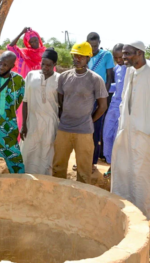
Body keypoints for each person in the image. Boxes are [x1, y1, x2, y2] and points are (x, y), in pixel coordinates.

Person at [111, 41, 150, 220]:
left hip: (147, 132)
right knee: (125, 170)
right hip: (127, 130)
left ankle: (145, 213)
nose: (124, 57)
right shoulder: (129, 71)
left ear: (139, 53)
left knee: (144, 174)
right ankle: (128, 210)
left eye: (127, 54)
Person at [52, 42, 108, 183]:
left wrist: (89, 120)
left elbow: (102, 106)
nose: (77, 59)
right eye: (75, 56)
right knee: (58, 167)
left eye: (81, 56)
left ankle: (82, 201)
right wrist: (64, 117)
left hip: (84, 131)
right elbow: (61, 101)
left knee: (84, 171)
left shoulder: (95, 79)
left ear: (88, 58)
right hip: (64, 129)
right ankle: (58, 197)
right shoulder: (63, 77)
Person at [20, 48, 60, 175]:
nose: (45, 67)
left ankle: (45, 179)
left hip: (50, 122)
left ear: (54, 65)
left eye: (48, 65)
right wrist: (24, 124)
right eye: (43, 64)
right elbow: (25, 100)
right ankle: (26, 176)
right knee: (29, 150)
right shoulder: (31, 75)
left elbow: (61, 104)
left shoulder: (60, 79)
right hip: (32, 121)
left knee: (47, 151)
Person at [7, 27, 46, 139]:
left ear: (39, 39)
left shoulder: (46, 52)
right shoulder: (24, 54)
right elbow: (10, 47)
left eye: (35, 40)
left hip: (43, 89)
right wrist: (21, 32)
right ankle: (22, 141)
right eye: (31, 41)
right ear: (27, 43)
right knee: (24, 114)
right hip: (27, 89)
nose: (34, 43)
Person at [86, 32, 114, 171]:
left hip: (99, 97)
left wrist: (103, 96)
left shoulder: (106, 55)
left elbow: (110, 77)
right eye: (91, 46)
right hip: (85, 97)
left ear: (99, 42)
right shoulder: (84, 54)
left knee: (96, 128)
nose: (93, 48)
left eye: (95, 45)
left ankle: (92, 162)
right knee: (84, 129)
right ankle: (82, 160)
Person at [102, 43, 127, 177]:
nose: (119, 60)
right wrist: (102, 87)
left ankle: (115, 169)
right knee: (107, 135)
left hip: (125, 109)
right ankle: (112, 163)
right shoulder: (116, 69)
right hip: (113, 107)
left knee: (120, 139)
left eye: (120, 57)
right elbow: (117, 87)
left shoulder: (133, 70)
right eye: (116, 57)